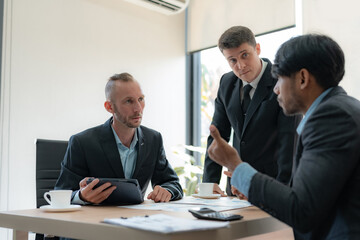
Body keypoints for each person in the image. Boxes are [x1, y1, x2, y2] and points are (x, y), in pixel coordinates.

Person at [207, 34, 360, 239]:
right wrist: (254, 189)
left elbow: (301, 209)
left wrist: (236, 166)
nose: (276, 89)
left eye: (279, 78)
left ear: (303, 78)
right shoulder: (341, 108)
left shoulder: (331, 117)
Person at [55, 72, 183, 205]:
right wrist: (81, 196)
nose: (138, 108)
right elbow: (62, 192)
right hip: (96, 221)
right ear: (109, 107)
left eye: (140, 99)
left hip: (138, 220)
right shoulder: (82, 142)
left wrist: (167, 190)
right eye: (129, 101)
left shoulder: (153, 139)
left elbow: (172, 183)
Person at [203, 26, 300, 196]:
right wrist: (209, 184)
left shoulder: (282, 79)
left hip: (272, 185)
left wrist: (281, 193)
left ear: (258, 49)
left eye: (245, 55)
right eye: (232, 60)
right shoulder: (227, 82)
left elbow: (289, 143)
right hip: (235, 186)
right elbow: (217, 135)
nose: (240, 65)